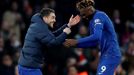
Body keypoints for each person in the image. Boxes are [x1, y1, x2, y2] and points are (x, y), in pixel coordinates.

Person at [64, 0, 121, 75]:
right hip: (105, 55)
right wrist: (75, 45)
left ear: (89, 9)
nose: (83, 17)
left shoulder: (99, 15)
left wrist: (77, 41)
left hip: (111, 54)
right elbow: (94, 43)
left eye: (84, 14)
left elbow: (96, 37)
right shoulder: (91, 21)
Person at [18, 8, 80, 75]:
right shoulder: (39, 27)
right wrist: (65, 33)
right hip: (29, 68)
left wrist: (68, 25)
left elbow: (52, 36)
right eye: (52, 17)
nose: (54, 20)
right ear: (45, 18)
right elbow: (53, 42)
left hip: (27, 66)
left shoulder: (39, 25)